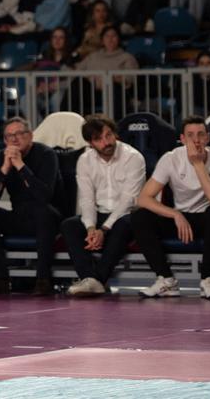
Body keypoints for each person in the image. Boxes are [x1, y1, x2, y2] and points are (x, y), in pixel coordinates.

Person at [132, 116, 210, 299]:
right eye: (190, 135)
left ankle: (207, 280)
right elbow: (144, 198)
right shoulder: (171, 158)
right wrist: (175, 214)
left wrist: (198, 163)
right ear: (182, 139)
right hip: (181, 219)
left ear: (208, 138)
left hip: (208, 219)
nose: (196, 140)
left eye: (201, 134)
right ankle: (166, 280)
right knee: (140, 216)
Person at [0, 117, 61, 297]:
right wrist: (5, 168)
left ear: (30, 136)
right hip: (19, 217)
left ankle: (43, 280)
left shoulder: (46, 155)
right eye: (9, 136)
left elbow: (44, 196)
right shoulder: (2, 158)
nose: (14, 139)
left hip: (47, 218)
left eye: (19, 134)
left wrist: (20, 166)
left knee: (42, 211)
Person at [62, 115, 146, 297]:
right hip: (99, 213)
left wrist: (104, 229)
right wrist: (91, 228)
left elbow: (128, 200)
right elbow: (86, 199)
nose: (106, 142)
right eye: (98, 139)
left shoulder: (133, 158)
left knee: (125, 224)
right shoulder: (85, 160)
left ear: (115, 134)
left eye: (108, 135)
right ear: (90, 143)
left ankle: (95, 280)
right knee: (70, 225)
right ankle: (91, 279)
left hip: (127, 214)